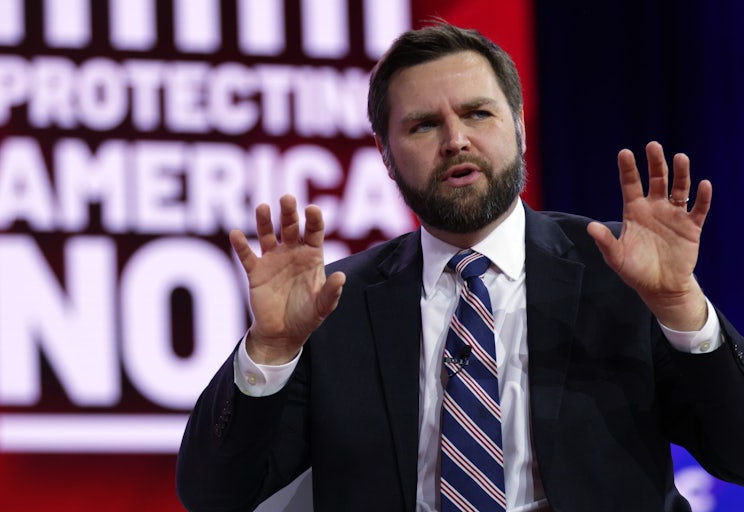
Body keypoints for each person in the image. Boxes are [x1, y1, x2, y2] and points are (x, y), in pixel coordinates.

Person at [176, 22, 744, 512]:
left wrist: (683, 311)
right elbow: (214, 494)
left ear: (519, 126)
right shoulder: (334, 304)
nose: (455, 140)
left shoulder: (619, 270)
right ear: (385, 154)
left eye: (478, 113)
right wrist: (271, 350)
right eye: (423, 125)